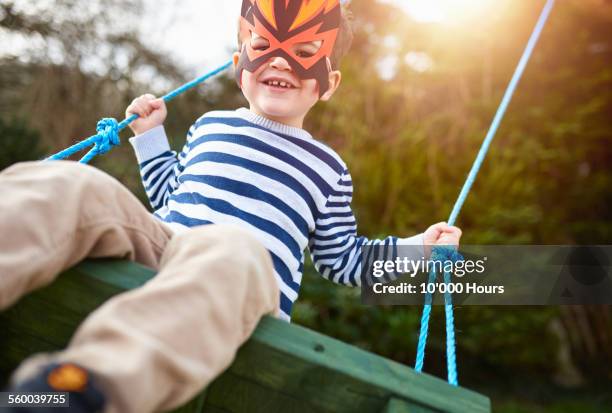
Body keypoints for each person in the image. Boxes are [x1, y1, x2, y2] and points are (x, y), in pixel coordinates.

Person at [0, 1, 462, 412]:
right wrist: (152, 137)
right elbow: (169, 196)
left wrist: (420, 247)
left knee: (231, 248)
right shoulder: (211, 124)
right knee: (72, 184)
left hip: (238, 281)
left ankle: (76, 391)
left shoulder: (328, 168)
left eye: (304, 54)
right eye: (264, 44)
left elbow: (346, 260)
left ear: (329, 82)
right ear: (240, 60)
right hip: (165, 245)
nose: (281, 59)